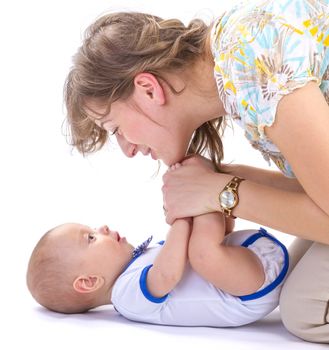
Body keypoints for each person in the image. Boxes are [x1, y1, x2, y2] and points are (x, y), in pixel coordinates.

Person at [63, 0, 329, 342]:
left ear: (148, 89)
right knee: (289, 277)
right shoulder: (235, 57)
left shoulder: (253, 64)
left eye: (114, 128)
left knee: (304, 308)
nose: (127, 150)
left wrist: (221, 193)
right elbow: (316, 188)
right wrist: (223, 182)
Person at [27, 199, 288, 325]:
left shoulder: (134, 268)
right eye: (91, 238)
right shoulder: (125, 296)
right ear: (89, 282)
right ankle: (204, 197)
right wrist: (181, 217)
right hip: (247, 291)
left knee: (202, 248)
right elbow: (167, 275)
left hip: (243, 260)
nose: (103, 227)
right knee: (202, 253)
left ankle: (209, 197)